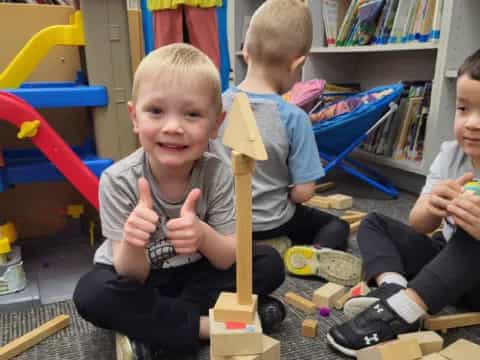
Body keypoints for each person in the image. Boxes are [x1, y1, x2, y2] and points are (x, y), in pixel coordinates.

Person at [73, 43, 286, 359]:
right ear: (134, 116)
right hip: (141, 281)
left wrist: (202, 234)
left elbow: (227, 258)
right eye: (156, 111)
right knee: (91, 294)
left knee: (267, 262)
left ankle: (158, 332)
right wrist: (133, 240)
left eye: (192, 114)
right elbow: (130, 275)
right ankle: (207, 327)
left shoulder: (219, 173)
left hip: (195, 276)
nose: (173, 127)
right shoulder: (118, 180)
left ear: (216, 124)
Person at [327, 48, 480, 357]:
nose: (472, 123)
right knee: (375, 223)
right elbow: (418, 223)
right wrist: (432, 205)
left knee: (471, 237)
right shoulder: (451, 154)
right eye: (464, 108)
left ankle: (405, 310)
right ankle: (394, 288)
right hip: (446, 263)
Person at [210, 0, 362, 286]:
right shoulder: (293, 117)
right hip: (271, 221)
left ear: (245, 51)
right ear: (298, 63)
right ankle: (311, 252)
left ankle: (264, 249)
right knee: (335, 223)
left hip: (221, 225)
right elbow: (305, 192)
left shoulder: (214, 107)